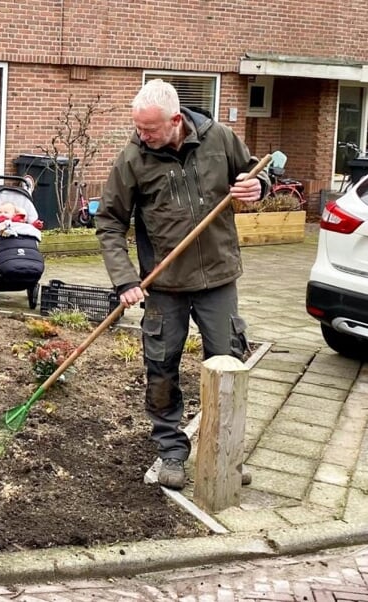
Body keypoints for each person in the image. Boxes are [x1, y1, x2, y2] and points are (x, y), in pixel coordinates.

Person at [95, 79, 267, 490]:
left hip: (218, 278)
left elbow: (256, 175)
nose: (142, 135)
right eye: (138, 127)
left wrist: (257, 188)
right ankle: (171, 451)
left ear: (176, 120)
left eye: (150, 129)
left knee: (226, 366)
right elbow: (109, 222)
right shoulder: (133, 158)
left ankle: (222, 452)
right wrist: (125, 280)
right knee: (161, 368)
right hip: (164, 285)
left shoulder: (219, 138)